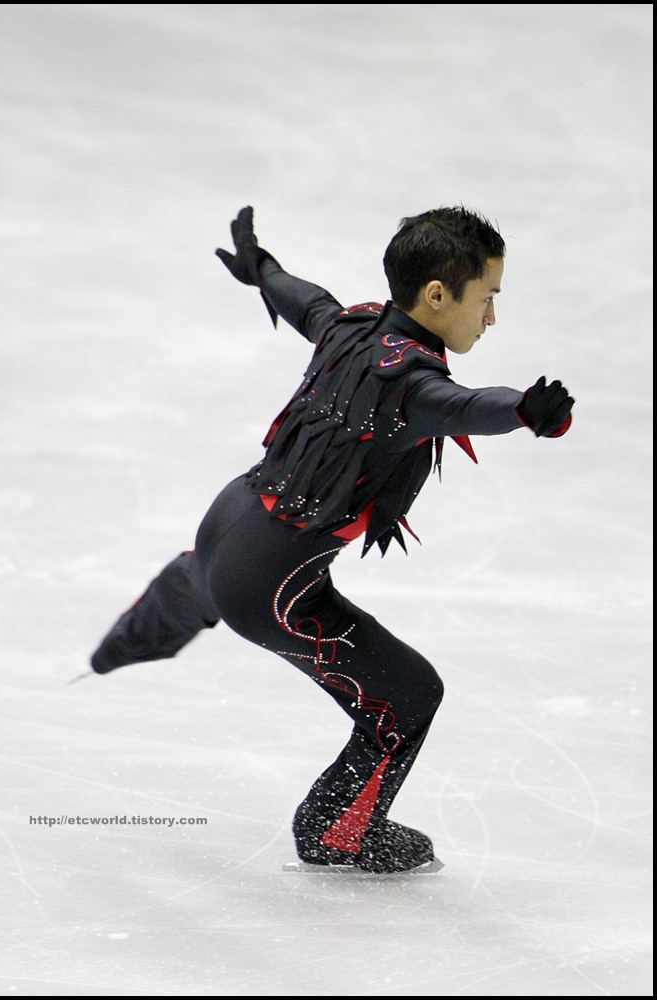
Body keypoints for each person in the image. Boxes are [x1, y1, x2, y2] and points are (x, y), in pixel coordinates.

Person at [90, 206, 574, 873]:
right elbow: (465, 407)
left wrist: (260, 269)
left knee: (206, 574)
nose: (490, 316)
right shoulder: (412, 384)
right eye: (486, 297)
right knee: (408, 698)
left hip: (232, 516)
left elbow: (306, 303)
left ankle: (128, 641)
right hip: (272, 587)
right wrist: (525, 412)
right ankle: (336, 832)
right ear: (437, 294)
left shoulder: (352, 326)